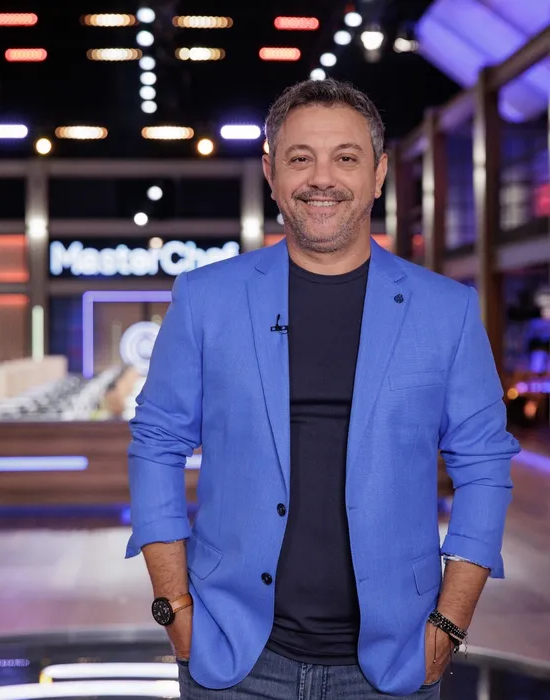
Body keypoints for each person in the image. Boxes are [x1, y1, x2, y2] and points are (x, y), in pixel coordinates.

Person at [126, 78, 520, 699]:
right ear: (271, 172)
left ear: (379, 173)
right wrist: (173, 606)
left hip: (395, 660)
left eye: (346, 157)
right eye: (300, 158)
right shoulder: (205, 299)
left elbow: (485, 464)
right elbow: (156, 443)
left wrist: (450, 622)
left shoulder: (447, 310)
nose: (322, 179)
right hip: (232, 655)